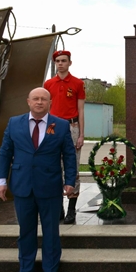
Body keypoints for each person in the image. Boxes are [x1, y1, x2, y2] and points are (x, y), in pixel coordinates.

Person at [0, 87, 77, 272]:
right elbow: (5, 153)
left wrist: (69, 182)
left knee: (51, 231)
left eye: (43, 99)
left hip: (49, 186)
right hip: (22, 185)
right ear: (28, 101)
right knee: (26, 230)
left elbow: (68, 155)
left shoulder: (60, 125)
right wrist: (1, 181)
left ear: (50, 103)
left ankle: (51, 270)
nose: (39, 102)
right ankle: (26, 270)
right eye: (35, 99)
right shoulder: (14, 123)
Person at [44, 50, 86, 224]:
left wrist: (82, 134)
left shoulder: (77, 83)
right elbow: (45, 109)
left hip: (71, 126)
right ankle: (58, 207)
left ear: (70, 63)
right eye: (57, 61)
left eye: (63, 61)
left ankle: (71, 209)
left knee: (72, 167)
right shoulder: (48, 84)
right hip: (53, 126)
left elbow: (81, 110)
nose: (60, 63)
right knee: (54, 166)